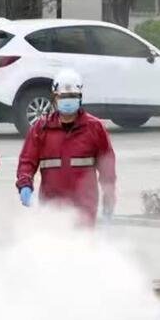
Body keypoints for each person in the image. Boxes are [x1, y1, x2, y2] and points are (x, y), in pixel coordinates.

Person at [16, 68, 116, 227]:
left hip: (85, 207)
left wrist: (109, 196)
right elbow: (27, 161)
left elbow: (107, 167)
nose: (68, 100)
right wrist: (25, 185)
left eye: (72, 96)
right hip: (51, 207)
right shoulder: (41, 128)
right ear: (55, 98)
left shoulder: (94, 128)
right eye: (63, 96)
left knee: (82, 241)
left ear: (80, 98)